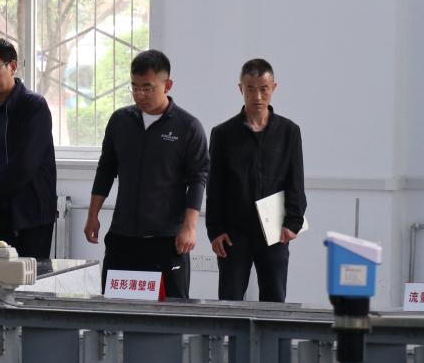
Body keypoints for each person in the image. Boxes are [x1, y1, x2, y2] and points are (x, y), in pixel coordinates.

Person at [84, 49, 209, 299]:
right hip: (123, 236)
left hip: (166, 239)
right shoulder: (120, 121)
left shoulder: (187, 126)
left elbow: (198, 178)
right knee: (116, 308)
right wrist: (92, 215)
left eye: (148, 88)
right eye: (135, 87)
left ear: (167, 85)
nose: (140, 94)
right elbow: (106, 168)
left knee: (170, 310)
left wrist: (189, 227)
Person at [206, 58, 306, 302]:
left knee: (274, 300)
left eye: (264, 89)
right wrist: (215, 231)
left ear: (274, 88)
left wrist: (292, 223)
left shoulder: (289, 132)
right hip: (233, 232)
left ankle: (272, 332)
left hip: (274, 230)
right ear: (240, 88)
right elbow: (215, 187)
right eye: (250, 89)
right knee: (229, 300)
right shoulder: (223, 134)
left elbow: (295, 181)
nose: (257, 96)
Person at [0, 38, 57, 259]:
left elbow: (25, 165)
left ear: (12, 66)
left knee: (28, 276)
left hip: (28, 215)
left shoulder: (33, 106)